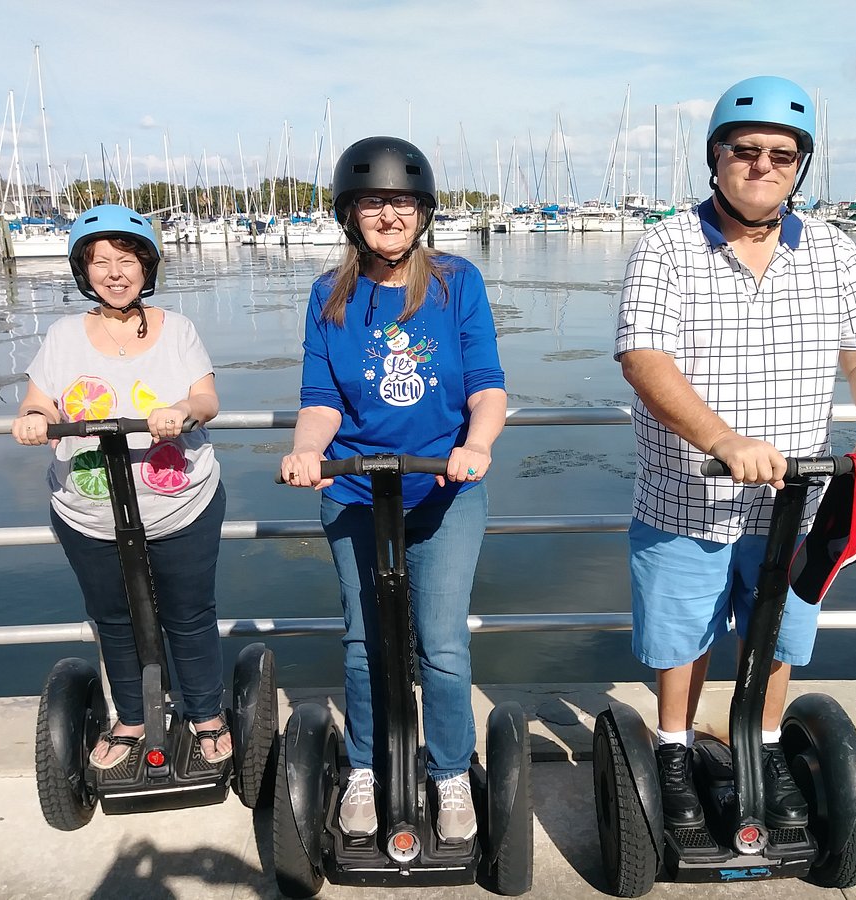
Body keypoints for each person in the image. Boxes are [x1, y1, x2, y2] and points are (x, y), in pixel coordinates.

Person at [614, 76, 856, 831]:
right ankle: (675, 748)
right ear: (716, 157)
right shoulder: (668, 244)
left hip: (794, 502)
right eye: (744, 151)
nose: (762, 164)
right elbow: (645, 358)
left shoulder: (834, 251)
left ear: (800, 165)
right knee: (680, 638)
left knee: (777, 630)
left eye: (782, 154)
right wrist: (721, 439)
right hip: (689, 495)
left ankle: (766, 742)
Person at [280, 136, 506, 844]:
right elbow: (321, 397)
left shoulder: (456, 282)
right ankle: (365, 769)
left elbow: (488, 387)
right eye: (374, 202)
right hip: (353, 492)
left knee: (440, 645)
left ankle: (448, 772)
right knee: (363, 645)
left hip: (444, 492)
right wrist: (307, 450)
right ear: (350, 214)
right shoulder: (329, 295)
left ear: (423, 212)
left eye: (402, 202)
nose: (389, 214)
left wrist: (476, 446)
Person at [12, 204, 230, 770]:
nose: (114, 272)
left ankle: (206, 713)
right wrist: (34, 416)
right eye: (100, 261)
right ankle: (132, 717)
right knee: (112, 618)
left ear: (146, 267)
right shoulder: (63, 336)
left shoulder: (177, 329)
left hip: (180, 504)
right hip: (90, 513)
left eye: (126, 260)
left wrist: (182, 409)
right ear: (83, 271)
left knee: (189, 614)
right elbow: (39, 398)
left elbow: (208, 399)